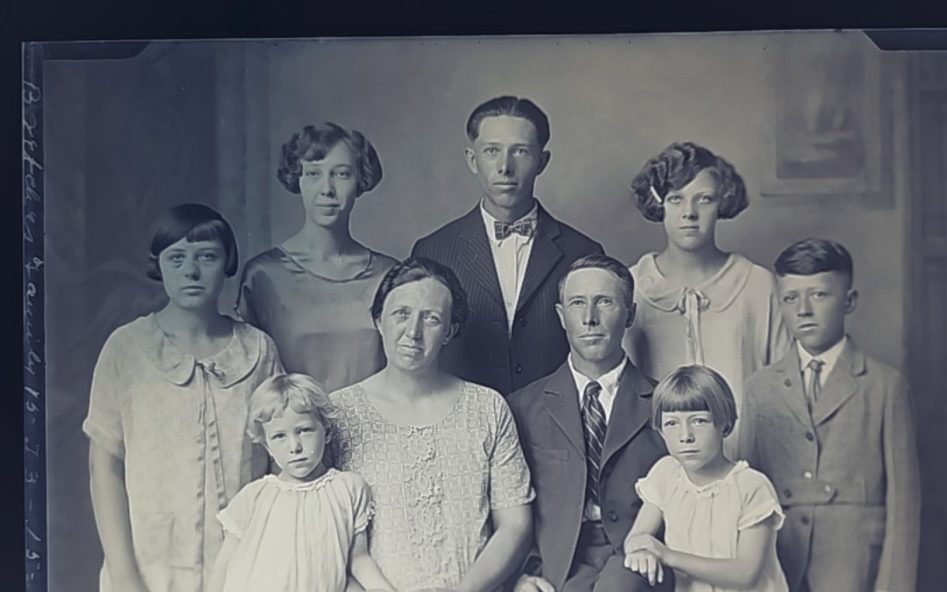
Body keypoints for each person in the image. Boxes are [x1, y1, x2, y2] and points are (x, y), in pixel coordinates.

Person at [320, 258, 550, 592]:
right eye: (401, 314)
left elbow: (515, 524)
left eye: (431, 318)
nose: (413, 332)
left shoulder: (487, 408)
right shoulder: (337, 415)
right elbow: (315, 539)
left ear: (451, 330)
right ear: (378, 319)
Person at [82, 204, 282, 592]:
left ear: (228, 263)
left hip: (234, 585)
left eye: (207, 257)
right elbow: (104, 468)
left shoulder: (258, 351)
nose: (192, 272)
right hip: (149, 581)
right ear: (159, 266)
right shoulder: (126, 349)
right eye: (178, 258)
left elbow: (278, 471)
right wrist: (125, 578)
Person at [739, 238, 921, 592]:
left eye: (819, 295)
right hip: (784, 569)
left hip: (860, 577)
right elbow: (747, 490)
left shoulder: (883, 384)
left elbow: (906, 497)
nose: (803, 309)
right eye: (791, 297)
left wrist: (894, 591)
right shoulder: (759, 388)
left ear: (849, 301)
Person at [507, 254, 671, 592]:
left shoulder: (663, 404)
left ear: (630, 313)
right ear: (561, 316)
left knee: (620, 589)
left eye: (605, 302)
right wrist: (515, 580)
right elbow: (501, 510)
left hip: (640, 559)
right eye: (577, 303)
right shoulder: (523, 406)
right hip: (561, 564)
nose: (591, 317)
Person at [194, 374, 394, 592]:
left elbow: (358, 558)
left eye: (304, 430)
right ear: (267, 445)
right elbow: (224, 567)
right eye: (280, 437)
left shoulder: (348, 489)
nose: (295, 447)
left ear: (326, 431)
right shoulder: (255, 497)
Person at [625, 365, 812, 592]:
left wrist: (665, 553)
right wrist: (641, 549)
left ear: (725, 423)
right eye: (672, 424)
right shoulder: (665, 475)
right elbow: (638, 536)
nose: (686, 436)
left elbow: (745, 573)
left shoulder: (750, 487)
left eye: (699, 421)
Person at [410, 95, 604, 395]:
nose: (505, 167)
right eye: (491, 151)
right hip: (461, 424)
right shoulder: (433, 251)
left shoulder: (583, 253)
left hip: (553, 427)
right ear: (472, 160)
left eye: (521, 152)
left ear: (542, 161)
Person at [625, 141, 790, 457]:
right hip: (656, 472)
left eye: (704, 199)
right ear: (659, 204)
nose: (689, 213)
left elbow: (782, 389)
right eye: (676, 199)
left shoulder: (756, 284)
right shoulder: (632, 287)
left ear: (722, 202)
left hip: (745, 464)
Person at [236, 122, 398, 392]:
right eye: (313, 173)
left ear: (361, 180)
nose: (327, 189)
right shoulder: (264, 276)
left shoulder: (389, 275)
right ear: (297, 179)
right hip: (295, 430)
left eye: (342, 174)